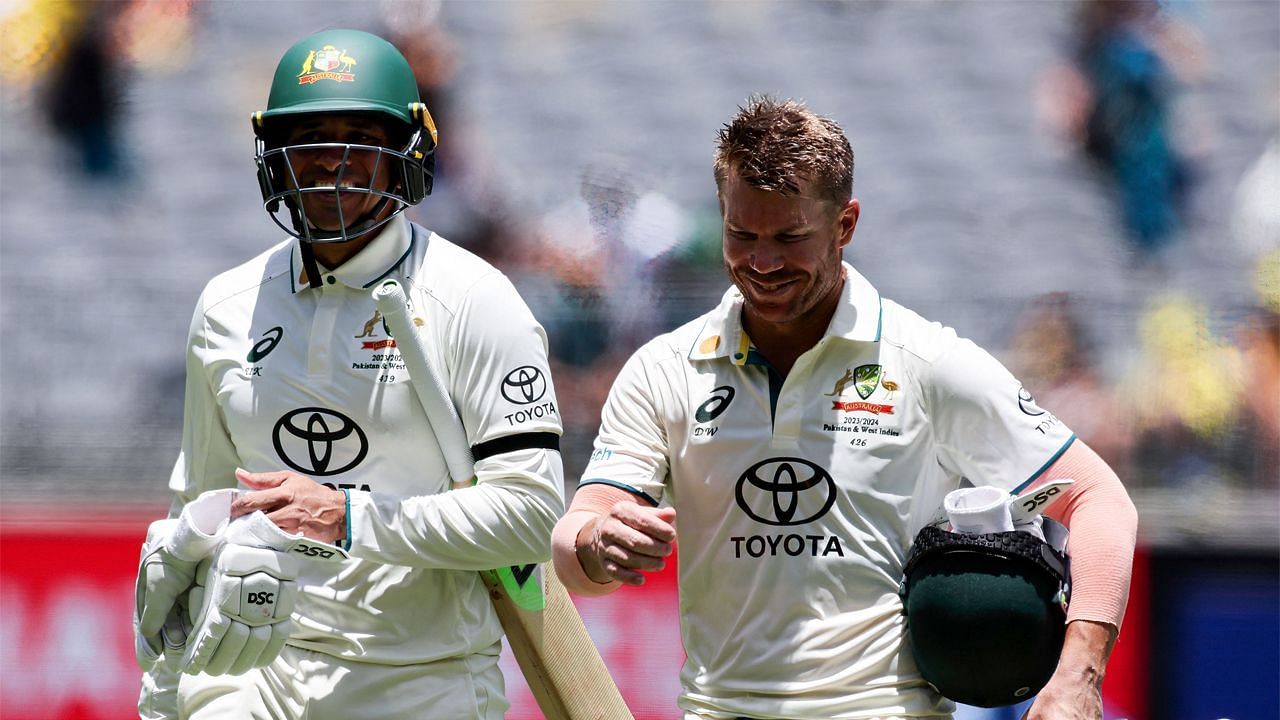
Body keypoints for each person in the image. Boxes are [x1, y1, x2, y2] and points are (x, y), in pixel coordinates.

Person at [552, 97, 1138, 719]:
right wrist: (594, 541)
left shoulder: (925, 360)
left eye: (790, 237)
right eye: (742, 234)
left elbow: (1100, 500)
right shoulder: (663, 368)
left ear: (845, 224)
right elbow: (577, 544)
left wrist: (1079, 675)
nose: (763, 262)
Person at [134, 29, 564, 719]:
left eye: (358, 138)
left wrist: (349, 518)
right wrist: (165, 675)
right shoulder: (226, 306)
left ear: (406, 156)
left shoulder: (474, 299)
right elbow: (204, 500)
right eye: (309, 139)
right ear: (275, 155)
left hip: (425, 681)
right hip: (258, 672)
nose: (331, 162)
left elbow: (529, 518)